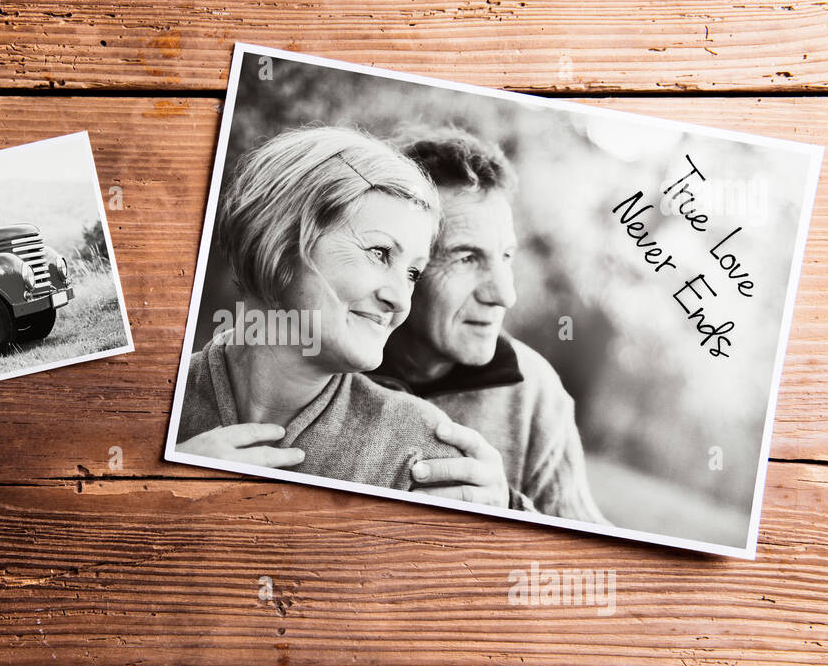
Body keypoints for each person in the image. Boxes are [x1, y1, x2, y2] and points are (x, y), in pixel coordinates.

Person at [177, 124, 509, 504]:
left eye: (413, 273)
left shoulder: (425, 453)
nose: (401, 299)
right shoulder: (149, 399)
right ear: (281, 239)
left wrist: (504, 514)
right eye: (380, 253)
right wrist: (152, 490)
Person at [374, 127, 607, 523]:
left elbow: (593, 548)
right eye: (466, 258)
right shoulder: (324, 362)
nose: (504, 294)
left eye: (505, 256)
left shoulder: (536, 392)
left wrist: (511, 511)